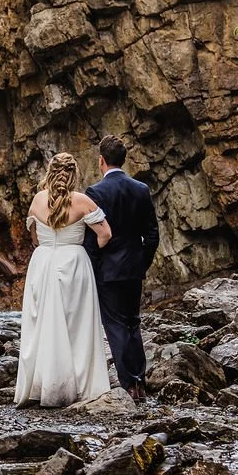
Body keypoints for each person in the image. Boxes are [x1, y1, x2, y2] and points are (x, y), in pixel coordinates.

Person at [15, 152, 113, 409]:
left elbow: (34, 238)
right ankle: (77, 383)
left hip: (44, 262)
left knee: (43, 324)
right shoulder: (82, 201)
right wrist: (86, 251)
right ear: (74, 174)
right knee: (76, 325)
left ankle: (43, 384)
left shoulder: (37, 200)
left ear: (50, 172)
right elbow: (105, 234)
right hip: (73, 263)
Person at [85, 135, 160, 406]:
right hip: (133, 267)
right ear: (123, 159)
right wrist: (143, 262)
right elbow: (152, 235)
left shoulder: (95, 193)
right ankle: (139, 380)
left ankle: (128, 384)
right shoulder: (141, 189)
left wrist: (91, 269)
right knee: (133, 323)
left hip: (108, 271)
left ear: (101, 160)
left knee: (115, 326)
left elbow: (92, 240)